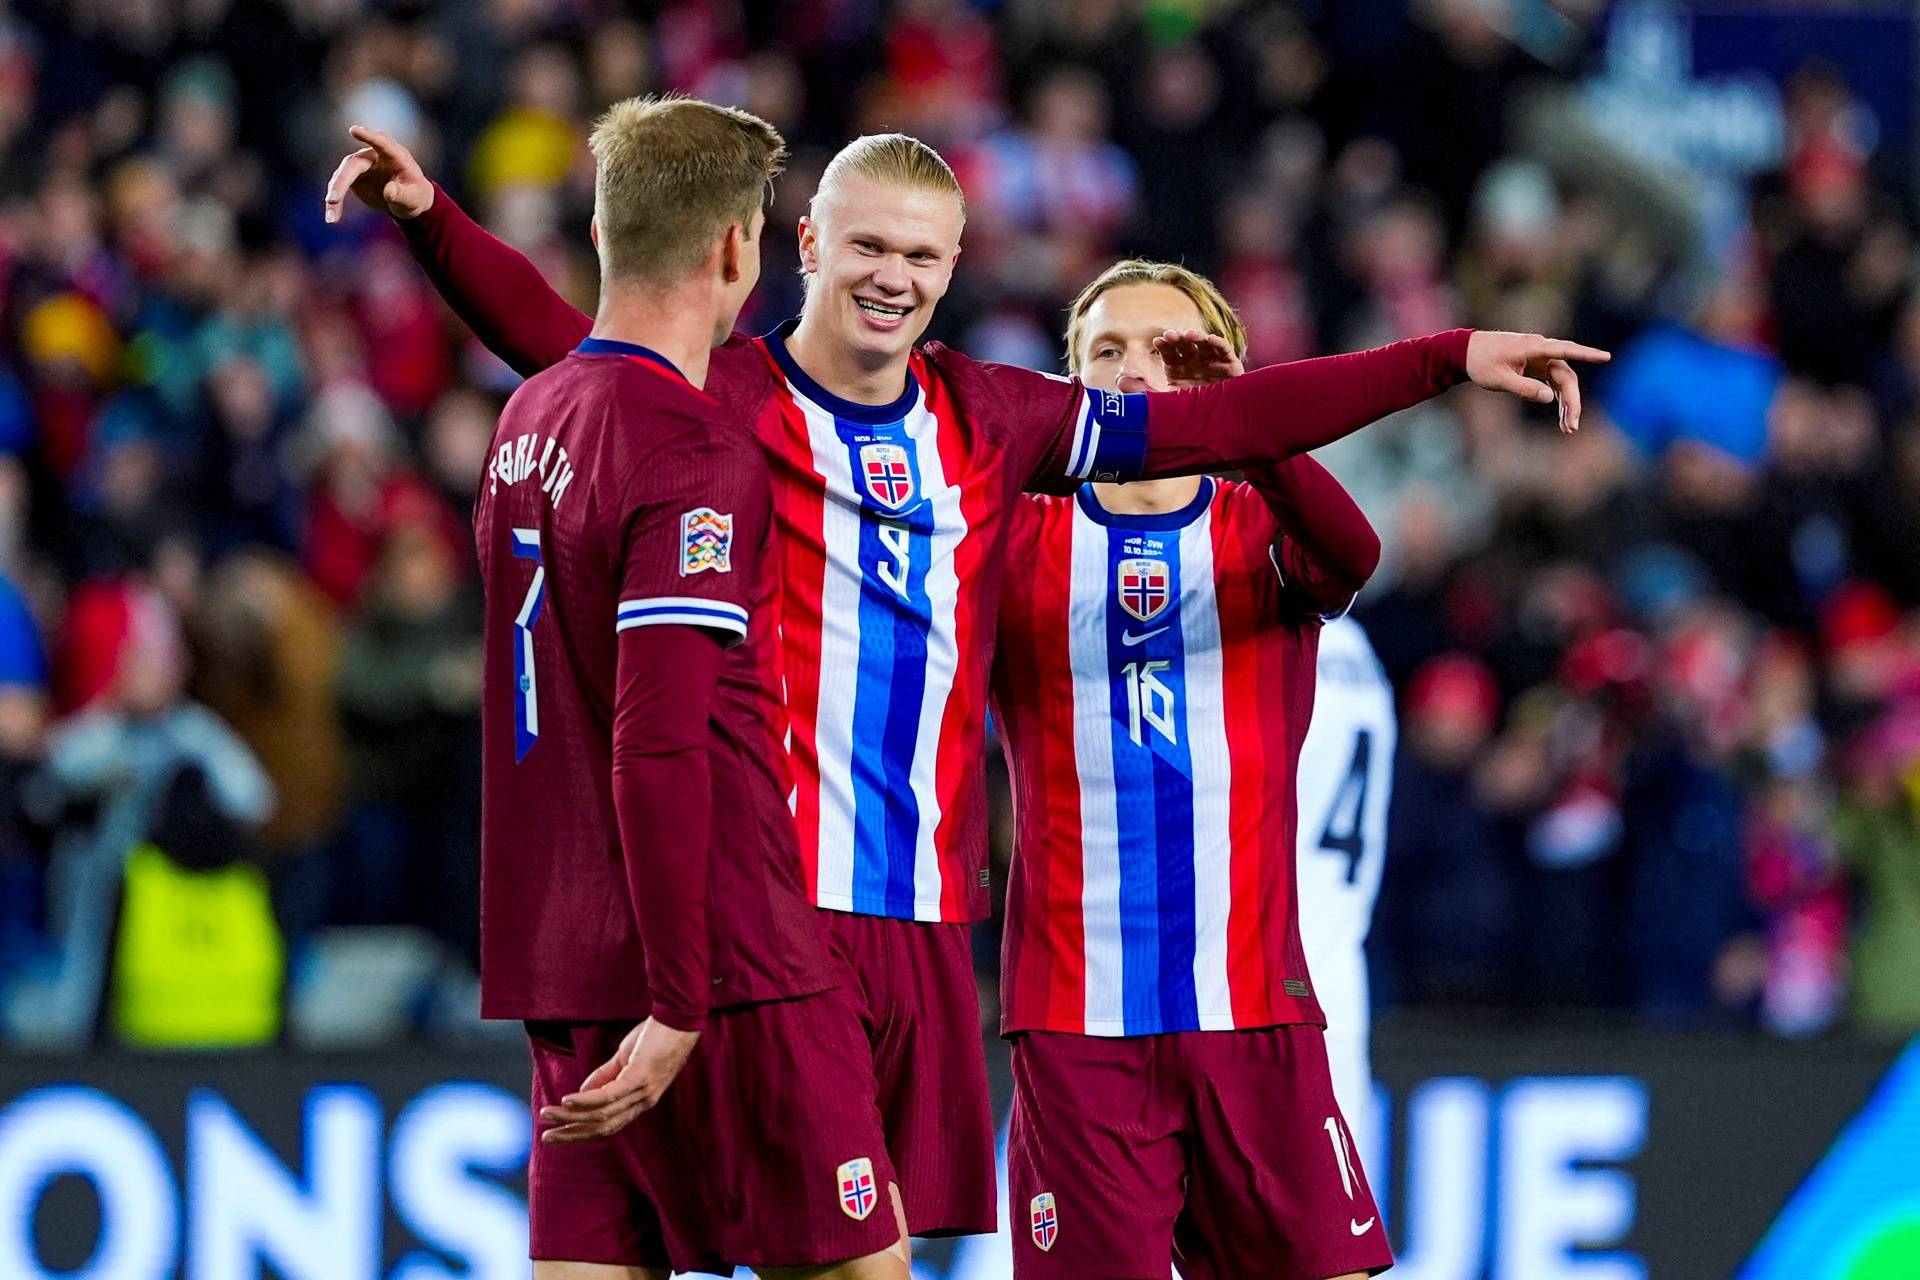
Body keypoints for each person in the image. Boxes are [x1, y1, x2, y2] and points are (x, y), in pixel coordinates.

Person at [327, 123, 1608, 1242]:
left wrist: (1446, 356)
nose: (894, 276)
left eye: (924, 256)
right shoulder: (722, 395)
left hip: (930, 920)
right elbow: (561, 344)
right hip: (776, 911)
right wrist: (435, 226)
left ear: (952, 270)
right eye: (868, 246)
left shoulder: (1000, 420)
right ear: (808, 244)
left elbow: (1227, 424)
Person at [463, 97, 905, 1279]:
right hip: (719, 963)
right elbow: (655, 741)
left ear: (607, 235)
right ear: (733, 250)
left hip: (564, 959)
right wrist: (680, 998)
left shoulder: (528, 416)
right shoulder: (691, 448)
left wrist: (430, 224)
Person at [990, 259, 1388, 1279]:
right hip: (1081, 1019)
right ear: (1072, 380)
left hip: (1253, 1007)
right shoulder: (1009, 541)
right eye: (1106, 350)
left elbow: (1355, 551)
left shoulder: (1262, 531)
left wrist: (1252, 434)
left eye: (1169, 352)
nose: (1136, 371)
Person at [1296, 612, 1399, 1158]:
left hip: (1247, 972)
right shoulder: (1361, 649)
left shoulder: (1269, 632)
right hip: (1338, 970)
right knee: (1333, 1217)